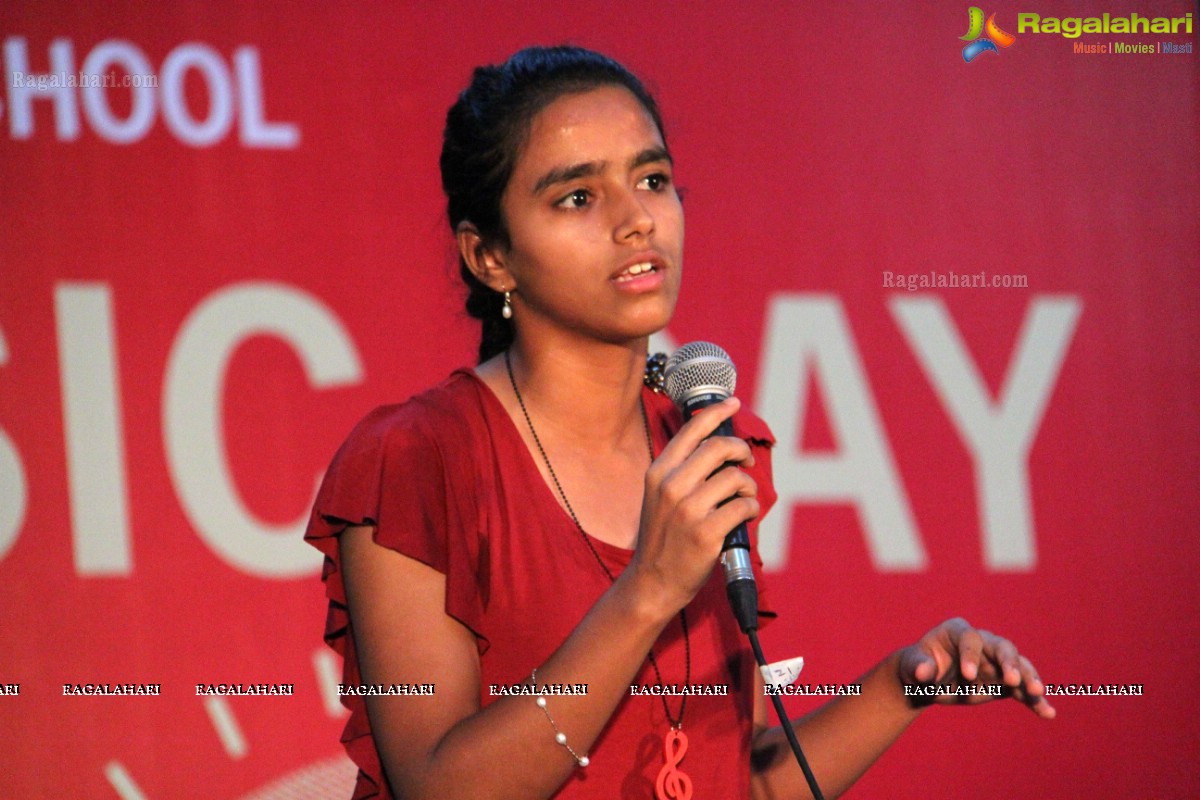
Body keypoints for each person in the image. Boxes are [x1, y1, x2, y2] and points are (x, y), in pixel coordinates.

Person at [305, 45, 1055, 800]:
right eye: (577, 198)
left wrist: (901, 687)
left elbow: (733, 779)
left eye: (653, 180)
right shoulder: (415, 458)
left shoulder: (707, 438)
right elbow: (438, 788)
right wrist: (647, 591)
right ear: (490, 256)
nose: (636, 221)